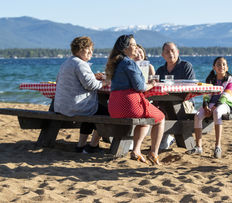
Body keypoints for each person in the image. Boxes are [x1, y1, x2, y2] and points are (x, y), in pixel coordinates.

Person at [106, 34, 165, 165]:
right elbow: (140, 87)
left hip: (114, 106)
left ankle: (136, 151)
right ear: (125, 48)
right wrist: (153, 84)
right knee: (161, 118)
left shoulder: (116, 63)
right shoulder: (129, 63)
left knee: (145, 121)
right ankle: (154, 153)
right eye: (133, 45)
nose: (136, 48)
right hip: (129, 104)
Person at [54, 36, 109, 153]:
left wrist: (93, 77)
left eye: (91, 49)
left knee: (92, 110)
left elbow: (61, 80)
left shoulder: (67, 62)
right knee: (108, 113)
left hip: (61, 106)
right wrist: (105, 82)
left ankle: (81, 145)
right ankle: (93, 146)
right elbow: (92, 86)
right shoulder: (81, 64)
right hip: (76, 106)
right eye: (87, 49)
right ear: (79, 50)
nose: (91, 52)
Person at [187, 57, 232, 159]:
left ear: (227, 67)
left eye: (223, 64)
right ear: (214, 67)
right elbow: (206, 94)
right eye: (218, 64)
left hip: (224, 104)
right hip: (211, 104)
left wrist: (215, 106)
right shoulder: (210, 79)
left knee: (217, 112)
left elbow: (226, 95)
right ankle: (198, 146)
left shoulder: (230, 79)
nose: (221, 66)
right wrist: (205, 106)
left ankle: (218, 146)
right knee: (197, 116)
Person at [155, 42, 196, 150]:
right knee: (157, 110)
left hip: (184, 103)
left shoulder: (186, 66)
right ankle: (164, 140)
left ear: (177, 52)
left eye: (172, 50)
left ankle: (165, 140)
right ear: (163, 55)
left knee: (170, 109)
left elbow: (191, 88)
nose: (170, 53)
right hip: (164, 104)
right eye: (167, 51)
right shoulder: (160, 70)